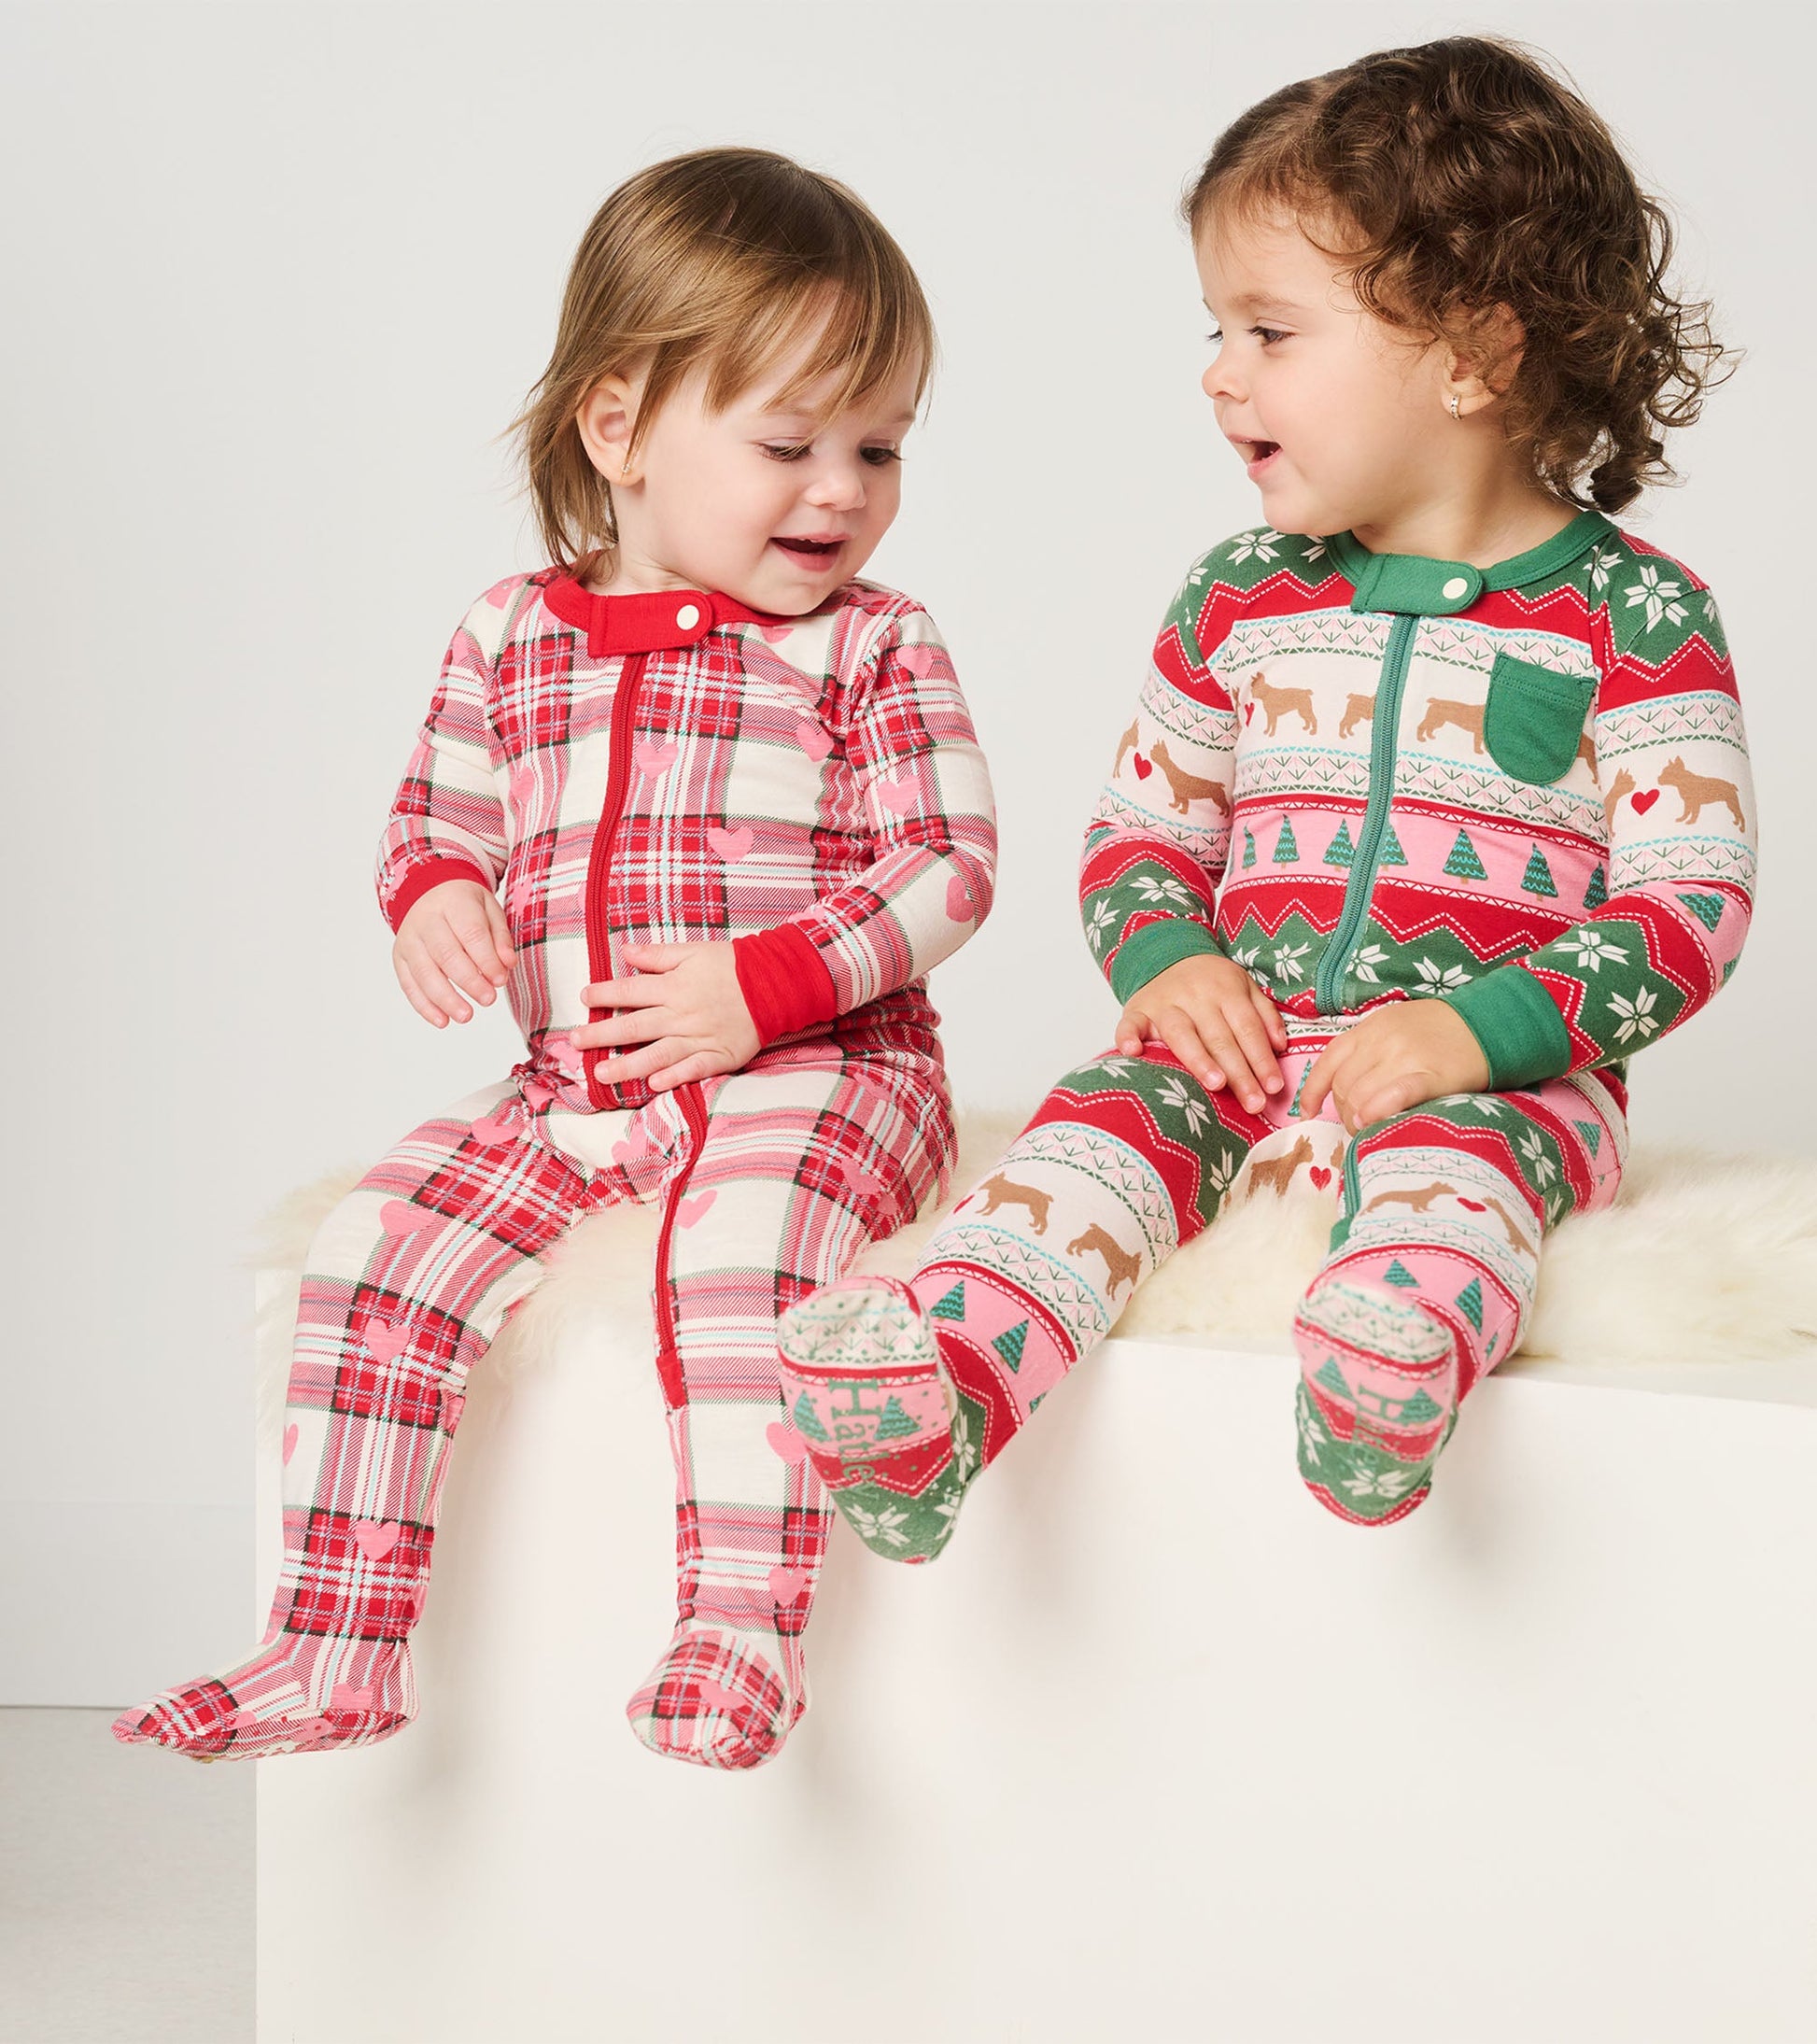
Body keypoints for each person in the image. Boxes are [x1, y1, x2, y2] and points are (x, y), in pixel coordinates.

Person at [778, 36, 1751, 1549]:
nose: (1220, 373)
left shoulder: (1635, 617)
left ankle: (1386, 1366)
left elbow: (1688, 901)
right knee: (1090, 1139)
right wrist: (1172, 963)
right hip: (1247, 1048)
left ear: (1470, 353)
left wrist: (1474, 1029)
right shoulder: (1238, 597)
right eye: (1216, 327)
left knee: (1459, 1171)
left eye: (1269, 330)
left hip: (1499, 1074)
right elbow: (1137, 835)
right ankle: (938, 1393)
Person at [113, 147, 995, 1769]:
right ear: (619, 428)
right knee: (372, 1247)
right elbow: (429, 815)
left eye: (879, 447)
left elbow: (948, 866)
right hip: (570, 1080)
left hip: (825, 1068)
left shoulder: (872, 642)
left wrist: (765, 986)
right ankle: (330, 1646)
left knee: (735, 1254)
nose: (843, 490)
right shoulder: (507, 632)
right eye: (790, 444)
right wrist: (436, 893)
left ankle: (739, 1629)